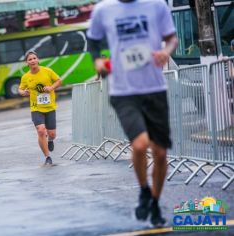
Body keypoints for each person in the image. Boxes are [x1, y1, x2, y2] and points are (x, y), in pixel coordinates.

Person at [87, 0, 178, 227]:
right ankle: (143, 190)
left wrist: (165, 52)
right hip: (123, 91)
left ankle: (155, 202)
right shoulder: (103, 10)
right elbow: (93, 41)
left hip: (154, 89)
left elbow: (172, 38)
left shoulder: (156, 5)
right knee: (139, 144)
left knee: (160, 153)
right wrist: (98, 61)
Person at [19, 51, 62, 165]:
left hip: (49, 106)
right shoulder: (26, 77)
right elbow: (20, 89)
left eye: (34, 58)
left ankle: (50, 140)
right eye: (30, 59)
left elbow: (59, 80)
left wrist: (51, 87)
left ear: (38, 60)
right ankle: (47, 157)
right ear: (27, 63)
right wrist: (23, 92)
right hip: (36, 108)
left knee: (52, 134)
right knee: (41, 130)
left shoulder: (47, 71)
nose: (32, 61)